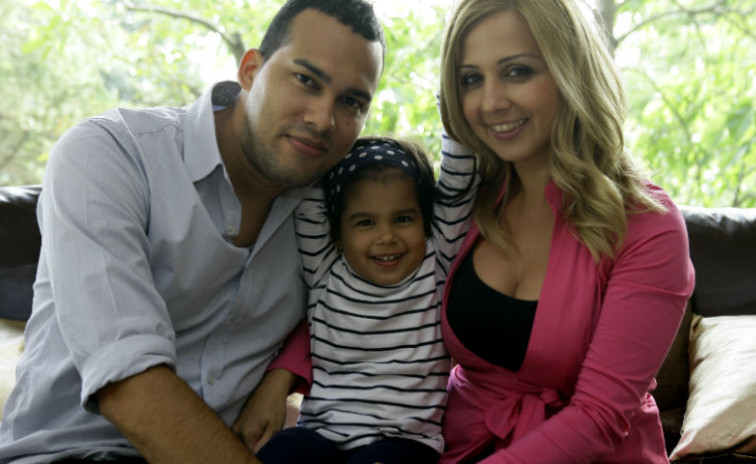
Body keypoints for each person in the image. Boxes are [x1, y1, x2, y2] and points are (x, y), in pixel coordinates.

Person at [0, 1, 384, 462]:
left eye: (352, 102)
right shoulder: (110, 155)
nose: (323, 119)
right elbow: (128, 386)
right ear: (251, 70)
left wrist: (280, 377)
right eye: (306, 80)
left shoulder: (337, 211)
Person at [435, 0, 696, 462]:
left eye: (517, 71)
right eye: (471, 79)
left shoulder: (648, 225)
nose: (491, 102)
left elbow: (599, 416)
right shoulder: (468, 198)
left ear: (570, 71)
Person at [250, 136, 478, 464]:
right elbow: (308, 182)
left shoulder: (435, 262)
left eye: (403, 218)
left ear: (425, 222)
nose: (386, 236)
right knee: (282, 452)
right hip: (321, 435)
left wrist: (453, 107)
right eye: (365, 222)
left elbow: (458, 181)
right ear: (338, 233)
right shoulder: (324, 270)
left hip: (404, 443)